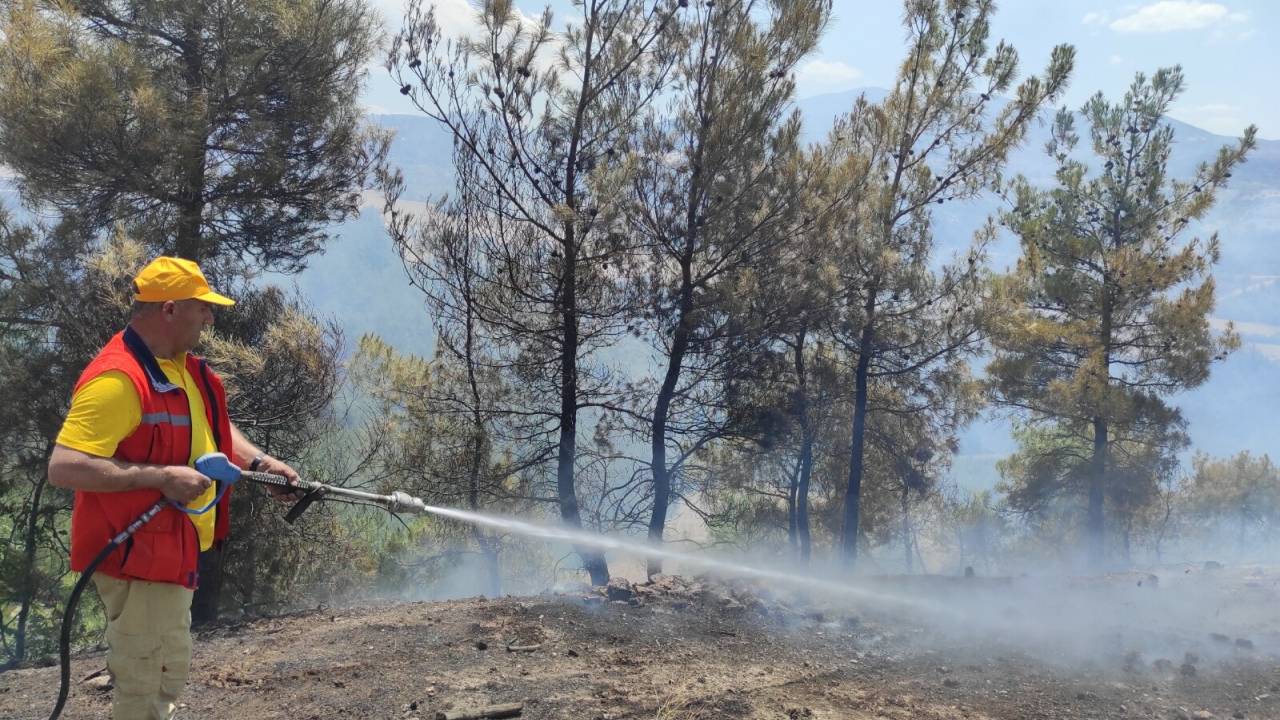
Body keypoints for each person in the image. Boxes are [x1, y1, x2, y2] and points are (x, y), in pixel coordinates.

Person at [47, 256, 300, 720]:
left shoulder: (179, 367)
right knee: (144, 684)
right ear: (168, 309)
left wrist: (260, 464)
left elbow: (213, 427)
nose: (209, 316)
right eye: (200, 306)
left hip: (169, 551)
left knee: (165, 671)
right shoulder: (119, 380)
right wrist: (161, 477)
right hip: (134, 557)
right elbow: (65, 466)